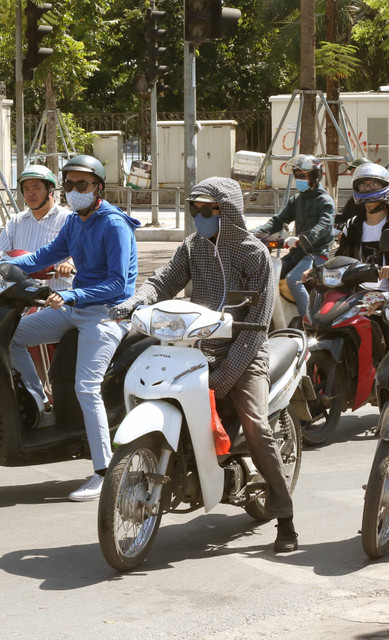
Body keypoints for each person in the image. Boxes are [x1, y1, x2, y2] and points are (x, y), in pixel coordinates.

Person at [109, 176, 298, 551]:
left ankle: (285, 516)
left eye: (208, 209)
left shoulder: (254, 254)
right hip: (194, 346)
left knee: (255, 424)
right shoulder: (193, 246)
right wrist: (136, 300)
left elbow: (258, 326)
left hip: (245, 352)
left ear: (227, 211)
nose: (200, 215)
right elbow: (163, 280)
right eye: (195, 208)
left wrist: (227, 375)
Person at [2, 154, 139, 502]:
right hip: (75, 307)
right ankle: (38, 402)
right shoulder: (76, 222)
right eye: (70, 184)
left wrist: (74, 294)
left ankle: (103, 471)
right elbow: (45, 255)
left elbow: (119, 284)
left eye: (83, 184)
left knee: (86, 388)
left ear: (98, 188)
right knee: (13, 336)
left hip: (105, 313)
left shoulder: (113, 224)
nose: (75, 190)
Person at [331, 163, 389, 351]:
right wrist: (318, 270)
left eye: (374, 185)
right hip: (356, 296)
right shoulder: (352, 224)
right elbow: (340, 257)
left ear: (385, 186)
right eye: (364, 185)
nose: (368, 189)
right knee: (335, 337)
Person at [252, 154, 335, 318]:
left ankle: (309, 322)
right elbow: (278, 220)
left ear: (314, 176)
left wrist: (303, 238)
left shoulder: (325, 201)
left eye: (302, 176)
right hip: (297, 253)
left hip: (317, 254)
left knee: (293, 280)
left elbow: (324, 226)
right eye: (297, 176)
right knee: (269, 275)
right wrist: (256, 233)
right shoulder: (296, 200)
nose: (299, 179)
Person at [0, 164, 74, 291]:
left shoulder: (69, 219)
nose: (30, 193)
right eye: (26, 189)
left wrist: (69, 263)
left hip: (59, 293)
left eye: (36, 188)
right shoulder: (16, 221)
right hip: (22, 293)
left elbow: (83, 251)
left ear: (50, 189)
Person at [336, 157, 371, 227]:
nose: (352, 175)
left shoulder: (373, 198)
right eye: (352, 173)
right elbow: (344, 216)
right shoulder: (354, 198)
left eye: (355, 172)